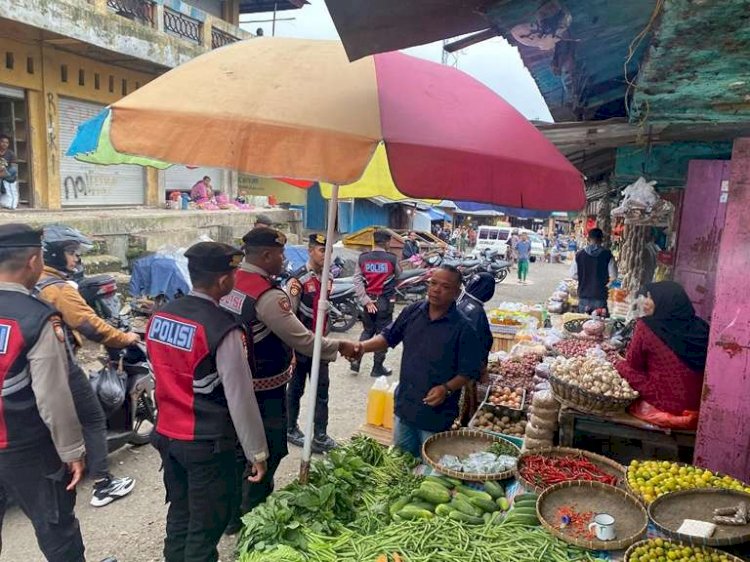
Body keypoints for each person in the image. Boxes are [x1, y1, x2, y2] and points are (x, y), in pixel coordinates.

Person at [221, 227, 359, 533]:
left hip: (232, 384)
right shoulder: (267, 294)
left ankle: (230, 515)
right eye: (281, 253)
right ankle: (251, 513)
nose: (284, 258)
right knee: (270, 450)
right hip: (263, 389)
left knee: (236, 450)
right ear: (267, 255)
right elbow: (303, 340)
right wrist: (342, 346)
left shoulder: (229, 283)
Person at [146, 241, 269, 562]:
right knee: (206, 526)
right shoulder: (222, 328)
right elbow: (240, 398)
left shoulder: (159, 316)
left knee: (181, 515)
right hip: (206, 444)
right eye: (233, 273)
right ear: (223, 281)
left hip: (168, 436)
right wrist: (257, 452)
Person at [0, 224, 87, 561]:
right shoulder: (37, 319)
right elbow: (53, 398)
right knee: (58, 536)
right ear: (34, 260)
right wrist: (72, 451)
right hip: (28, 450)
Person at [36, 224, 137, 507]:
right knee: (92, 417)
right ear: (54, 254)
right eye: (71, 253)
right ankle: (103, 483)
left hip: (24, 367)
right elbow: (92, 326)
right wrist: (125, 337)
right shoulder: (58, 289)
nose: (77, 259)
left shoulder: (28, 281)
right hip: (59, 364)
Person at [356, 265, 483, 457]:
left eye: (445, 286)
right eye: (433, 283)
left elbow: (468, 371)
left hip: (437, 415)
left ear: (457, 293)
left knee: (430, 468)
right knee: (400, 462)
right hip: (405, 407)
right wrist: (362, 347)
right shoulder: (412, 312)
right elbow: (388, 337)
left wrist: (446, 388)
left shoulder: (463, 327)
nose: (436, 289)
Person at [616, 281, 709, 419]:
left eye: (651, 297)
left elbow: (633, 365)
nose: (646, 302)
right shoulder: (703, 327)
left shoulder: (646, 326)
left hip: (669, 402)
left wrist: (618, 362)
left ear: (664, 300)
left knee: (621, 366)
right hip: (698, 403)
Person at [285, 234, 337, 453]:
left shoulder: (328, 279)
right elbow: (288, 317)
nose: (326, 255)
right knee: (295, 390)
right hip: (301, 347)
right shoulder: (297, 280)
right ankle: (290, 428)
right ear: (310, 251)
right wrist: (291, 352)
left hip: (320, 346)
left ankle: (320, 435)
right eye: (321, 250)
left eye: (329, 251)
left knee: (322, 392)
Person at [351, 229, 400, 377]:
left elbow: (357, 280)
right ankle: (377, 368)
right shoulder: (392, 259)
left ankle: (355, 360)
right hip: (385, 303)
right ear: (386, 242)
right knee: (383, 335)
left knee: (367, 331)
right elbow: (399, 274)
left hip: (369, 302)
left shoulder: (363, 258)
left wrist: (366, 301)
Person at [456, 272, 496, 425]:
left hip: (457, 363)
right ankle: (461, 424)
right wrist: (483, 370)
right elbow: (478, 344)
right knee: (463, 402)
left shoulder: (463, 302)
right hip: (465, 368)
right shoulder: (476, 312)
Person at [570, 228, 617, 313]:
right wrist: (606, 285)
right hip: (600, 296)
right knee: (598, 323)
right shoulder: (607, 255)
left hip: (584, 295)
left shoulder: (579, 255)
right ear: (602, 239)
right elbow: (614, 275)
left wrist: (584, 278)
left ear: (588, 239)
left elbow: (573, 274)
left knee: (583, 323)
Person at [0, 134, 18, 210]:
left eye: (7, 143)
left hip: (7, 174)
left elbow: (14, 167)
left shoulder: (11, 153)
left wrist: (4, 170)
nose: (4, 144)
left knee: (13, 171)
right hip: (1, 173)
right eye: (2, 142)